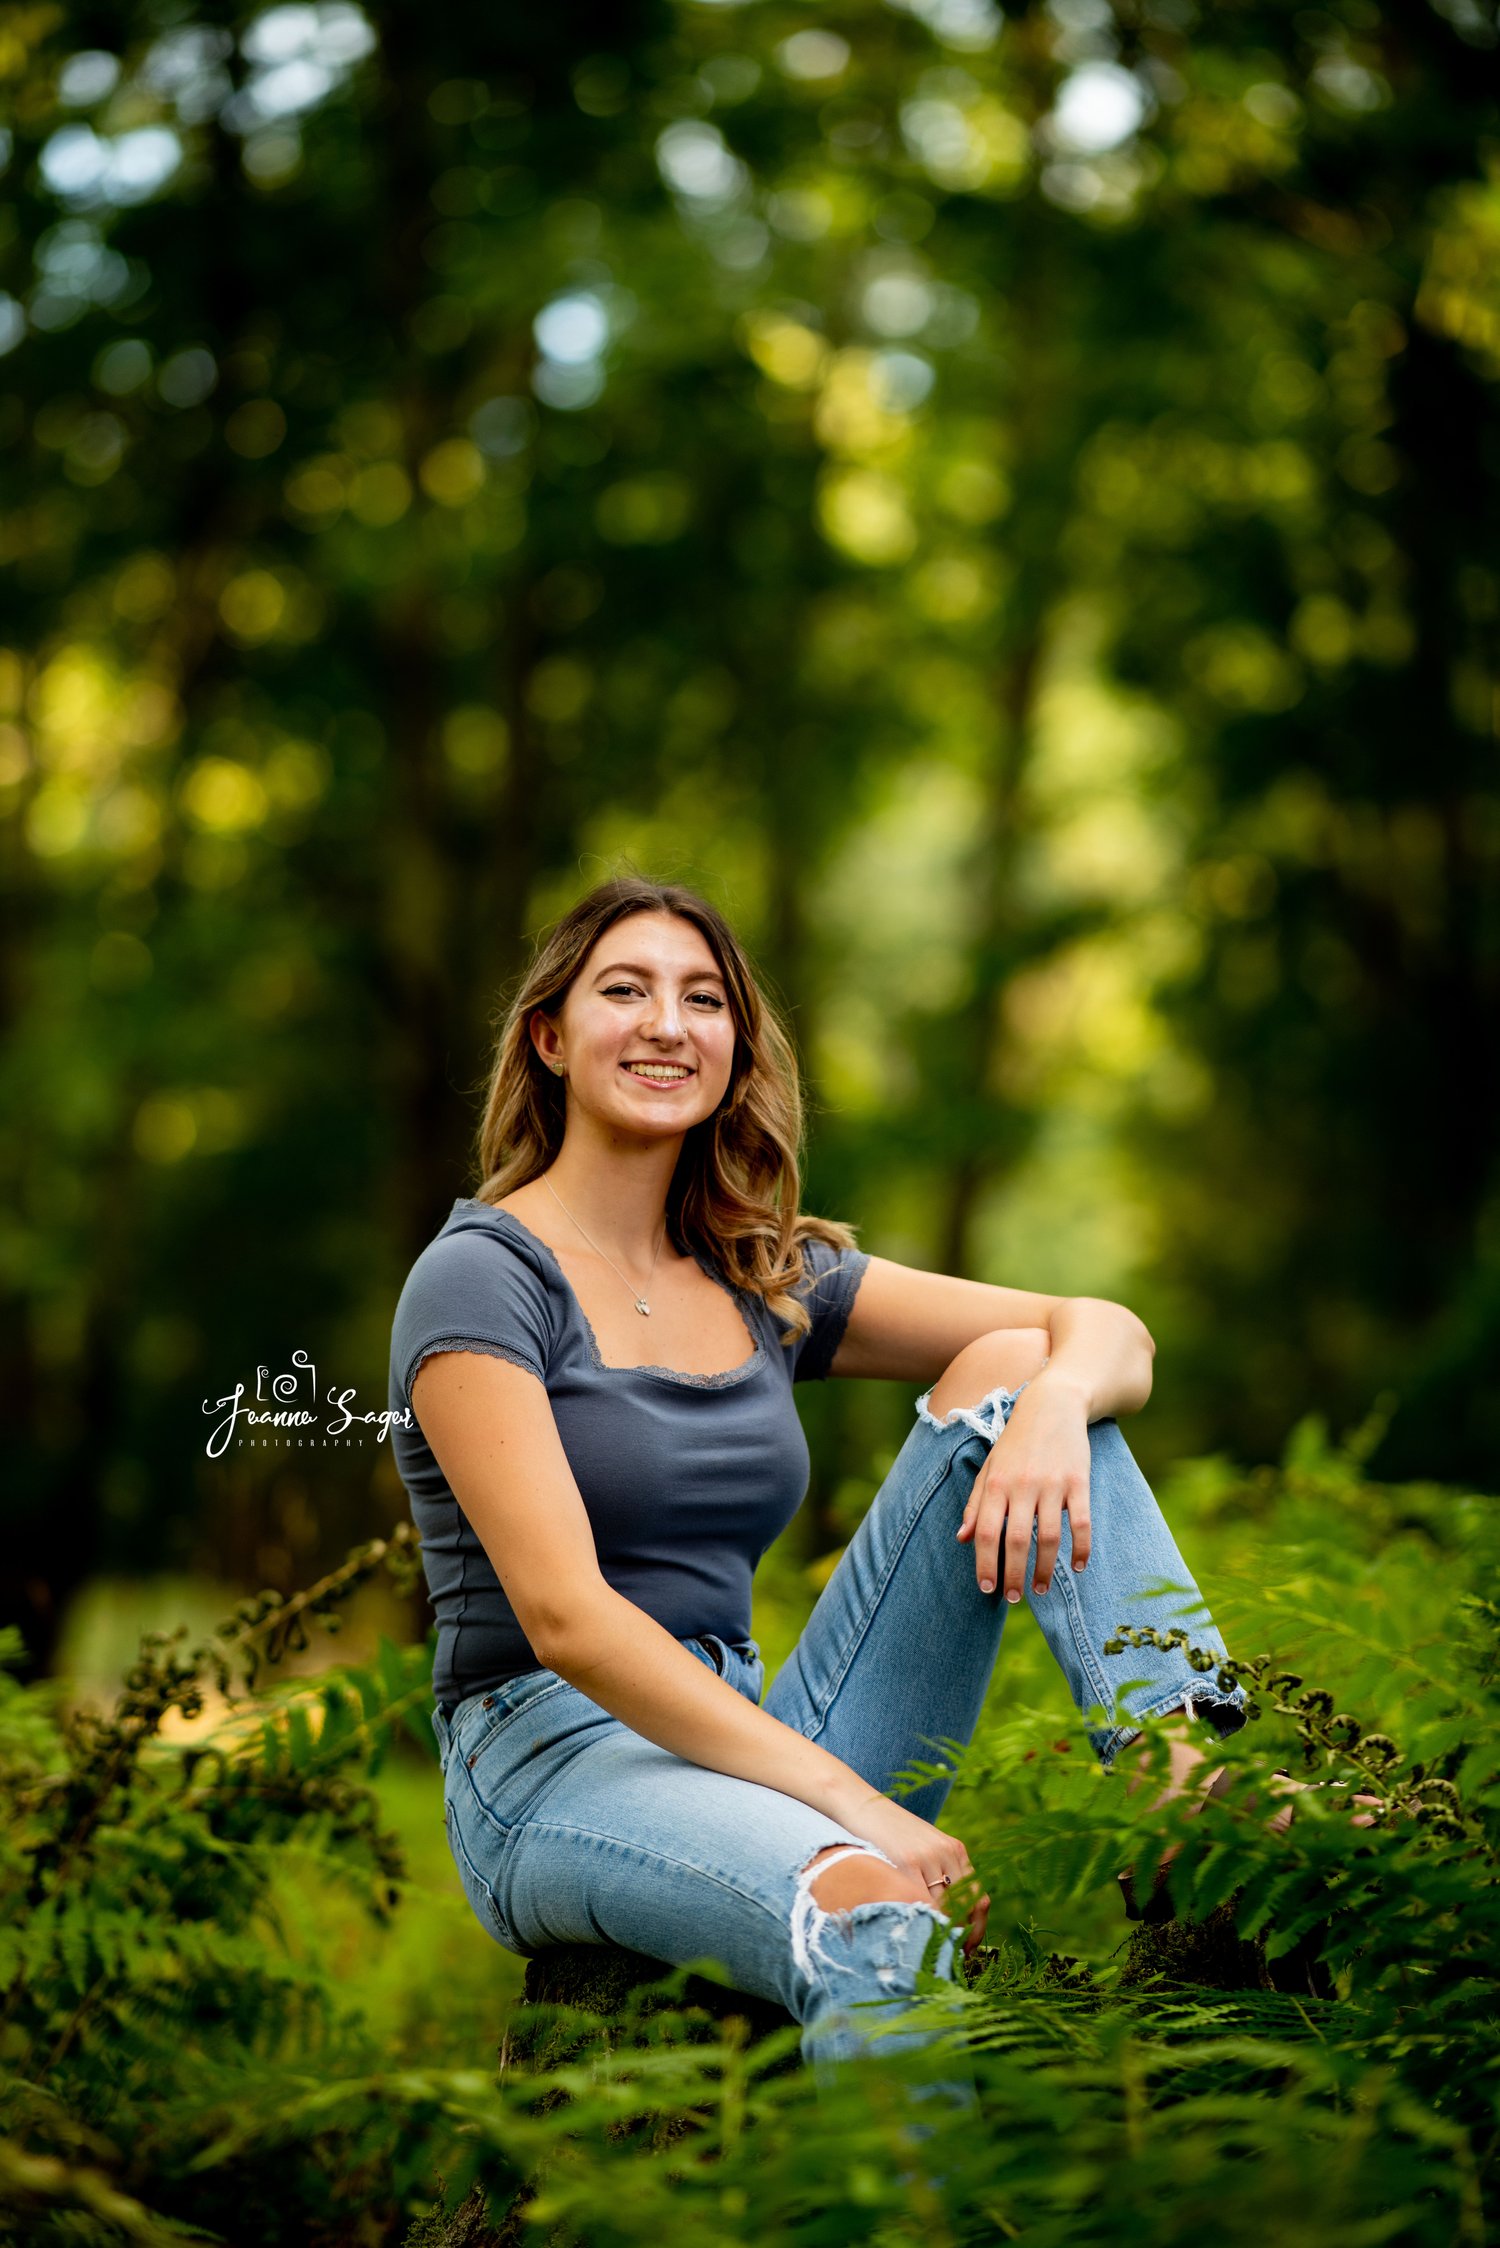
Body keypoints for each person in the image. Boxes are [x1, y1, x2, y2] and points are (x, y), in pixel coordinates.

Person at [387, 874, 1248, 2099]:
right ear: (550, 1035)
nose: (666, 1024)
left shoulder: (757, 1267)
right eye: (623, 991)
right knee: (878, 1918)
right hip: (548, 1755)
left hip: (747, 1736)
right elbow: (567, 1619)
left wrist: (1053, 1404)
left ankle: (1190, 1784)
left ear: (735, 1044)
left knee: (1017, 1365)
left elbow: (1107, 1330)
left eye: (701, 998)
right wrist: (860, 1817)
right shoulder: (480, 1277)